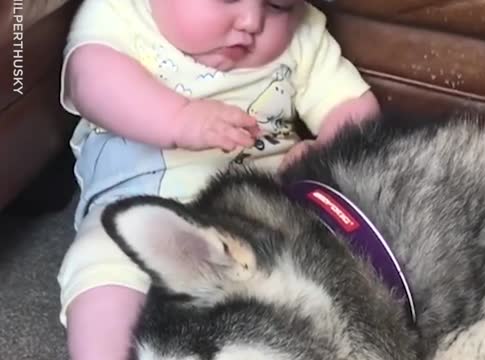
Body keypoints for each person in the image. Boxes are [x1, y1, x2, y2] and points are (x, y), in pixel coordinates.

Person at [56, 0, 381, 358]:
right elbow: (90, 80)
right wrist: (180, 120)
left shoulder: (302, 38)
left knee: (317, 282)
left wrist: (324, 152)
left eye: (278, 4)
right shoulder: (121, 12)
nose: (252, 21)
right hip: (140, 208)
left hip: (254, 219)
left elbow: (355, 110)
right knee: (101, 268)